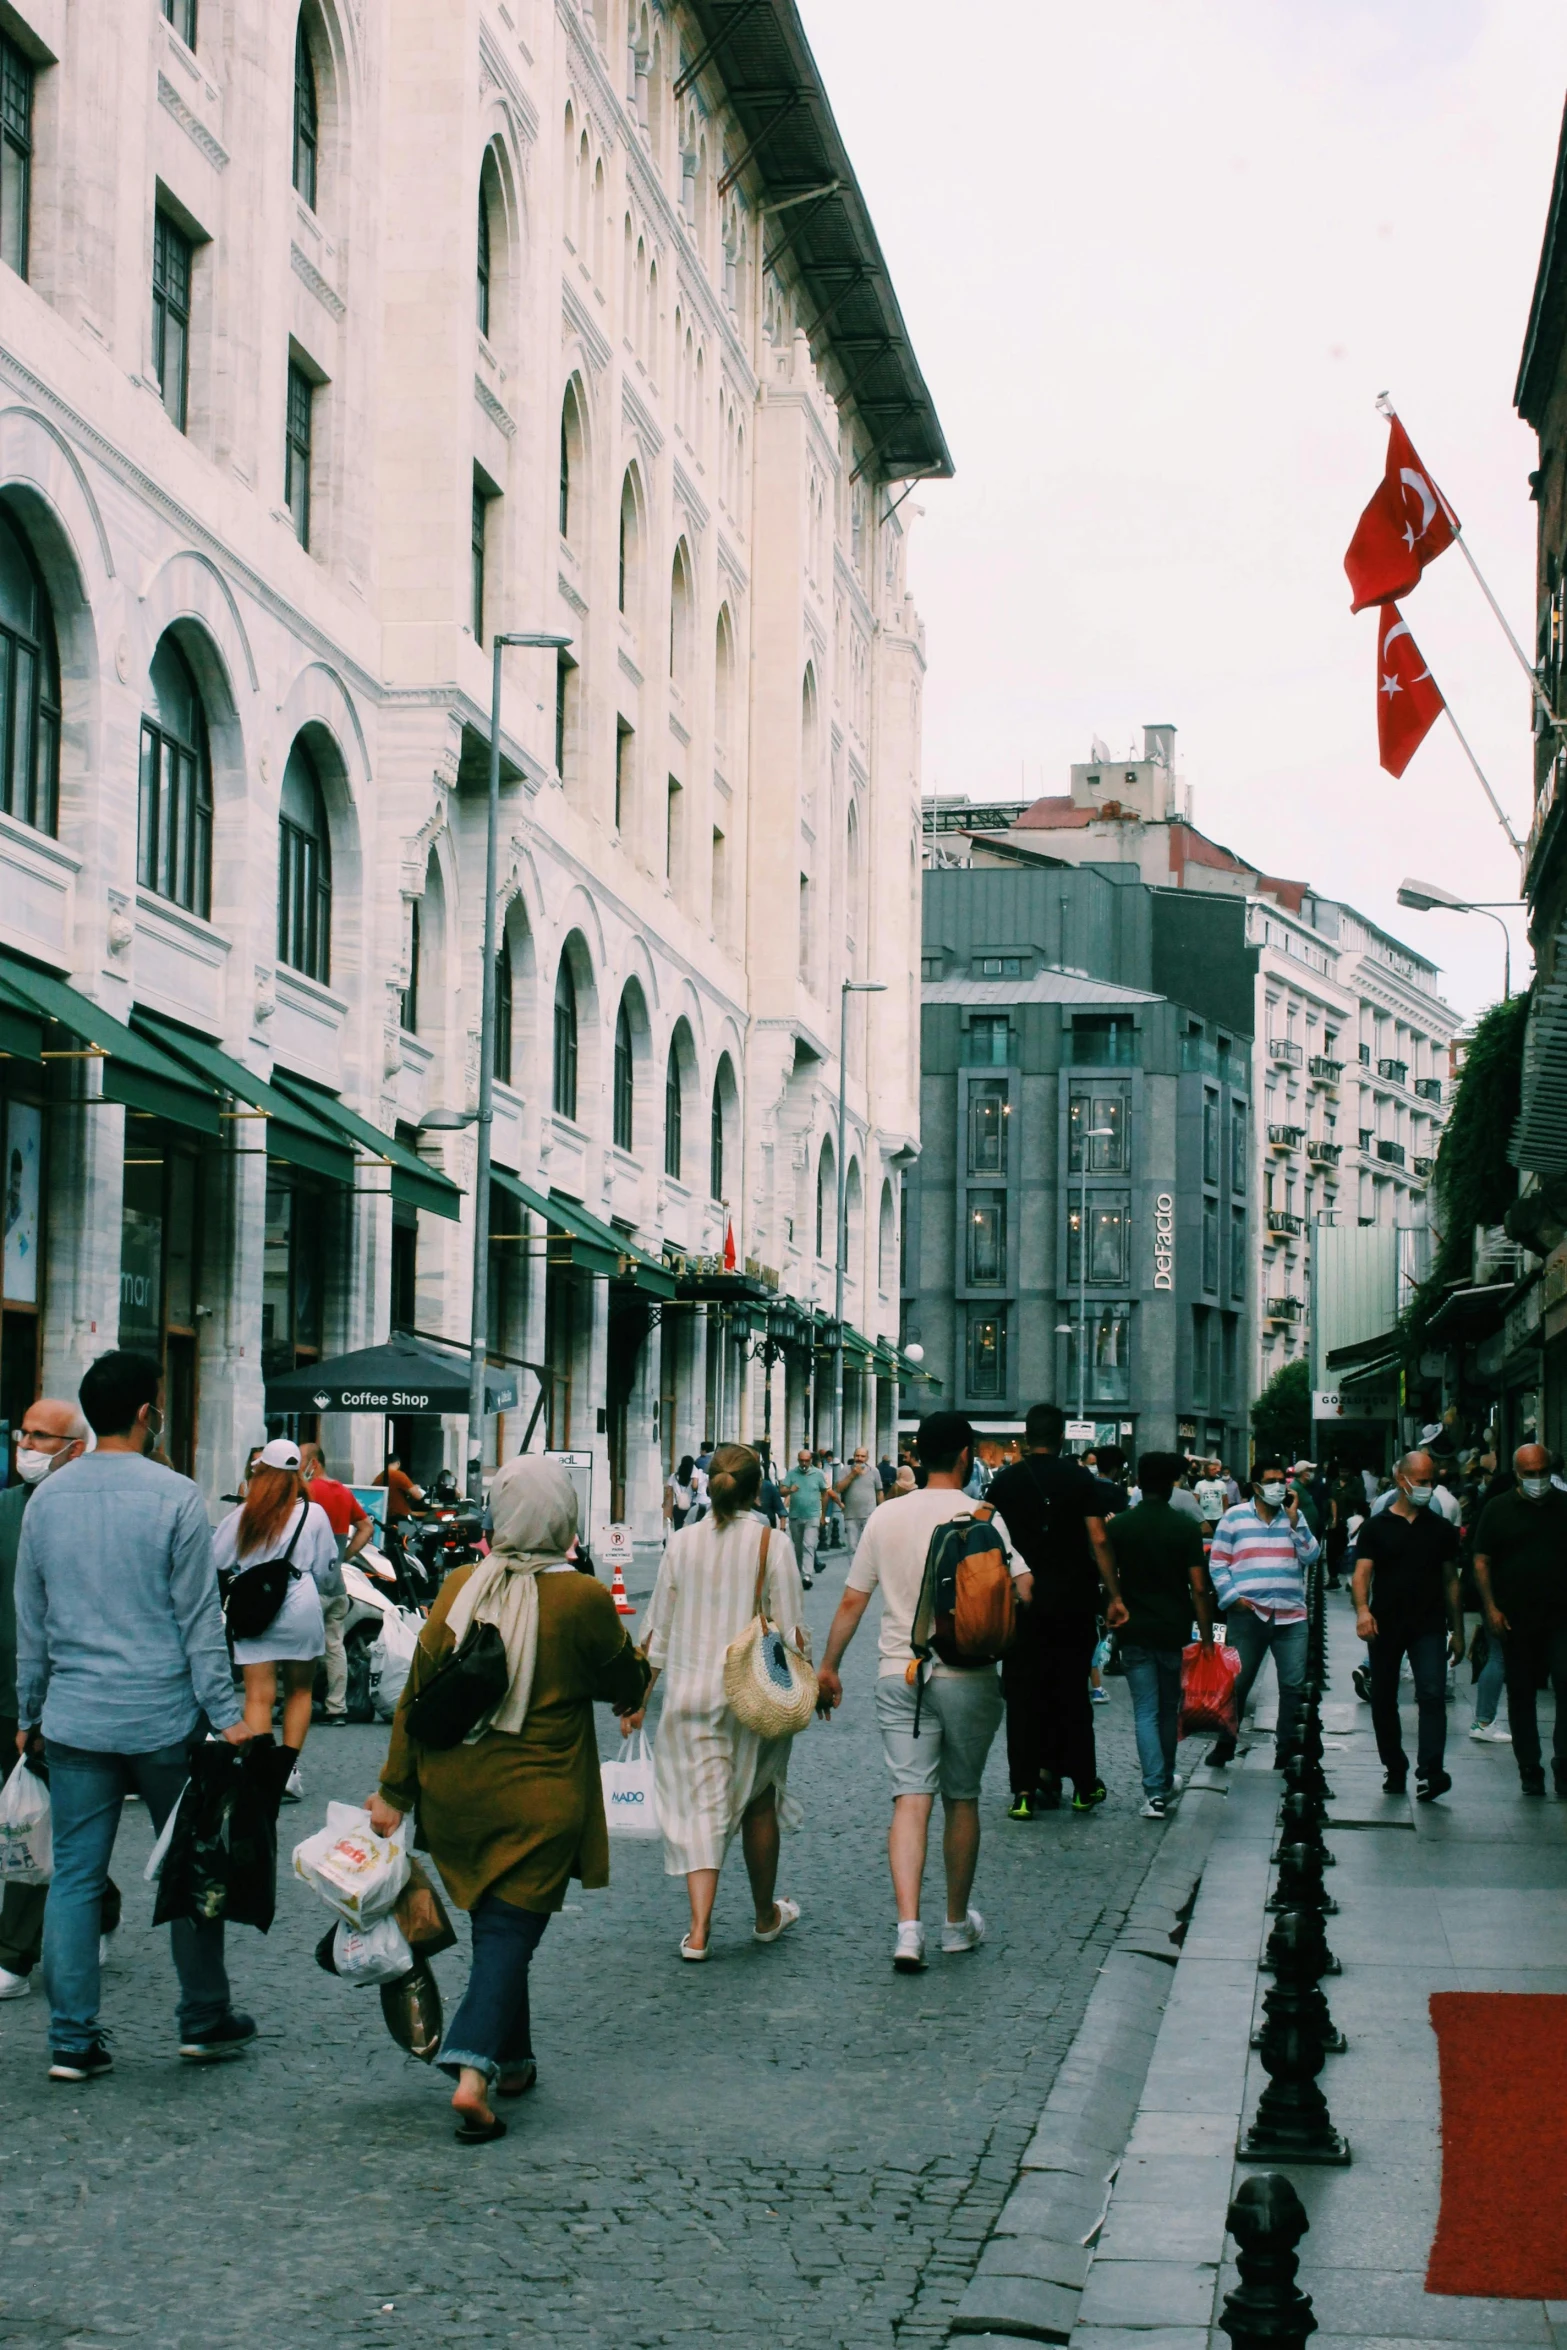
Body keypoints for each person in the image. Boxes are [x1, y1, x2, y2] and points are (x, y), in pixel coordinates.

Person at [369, 1455, 647, 2142]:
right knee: (506, 1937)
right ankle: (471, 2071)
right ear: (564, 1517)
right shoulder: (579, 1597)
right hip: (539, 1796)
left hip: (456, 1794)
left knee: (498, 1927)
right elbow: (622, 1681)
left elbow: (414, 1698)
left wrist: (392, 1792)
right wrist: (646, 1665)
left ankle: (515, 2058)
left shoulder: (461, 1585)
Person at [14, 1350, 256, 2080]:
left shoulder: (46, 1501)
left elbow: (33, 1620)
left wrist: (29, 1710)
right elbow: (198, 1623)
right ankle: (203, 2017)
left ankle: (71, 2038)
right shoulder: (177, 1496)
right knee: (187, 1868)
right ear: (149, 1413)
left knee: (75, 1878)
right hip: (161, 1716)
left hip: (77, 1716)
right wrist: (227, 1713)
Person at [816, 1411, 1031, 1971]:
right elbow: (1024, 1588)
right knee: (962, 1798)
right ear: (964, 1456)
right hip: (969, 1676)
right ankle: (956, 1924)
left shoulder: (887, 1517)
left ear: (918, 1455)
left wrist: (829, 1668)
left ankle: (907, 1931)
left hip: (900, 1671)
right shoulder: (986, 1516)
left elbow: (850, 1602)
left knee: (910, 1800)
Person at [625, 1444, 809, 1960]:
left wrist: (639, 1699)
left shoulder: (681, 1544)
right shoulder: (773, 1545)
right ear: (757, 1489)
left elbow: (656, 1630)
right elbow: (792, 1632)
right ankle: (765, 1914)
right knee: (758, 1801)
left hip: (689, 1694)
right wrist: (811, 1683)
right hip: (754, 1697)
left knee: (702, 1806)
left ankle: (699, 1931)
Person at [0, 1400, 111, 2002]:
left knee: (31, 1820)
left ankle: (13, 1953)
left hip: (62, 1696)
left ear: (74, 1447)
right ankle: (103, 1901)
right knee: (53, 1822)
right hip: (7, 1691)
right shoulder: (4, 1508)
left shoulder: (88, 1513)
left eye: (41, 1437)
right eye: (24, 1434)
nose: (28, 1445)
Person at [986, 1402, 1129, 1818]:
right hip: (1072, 1600)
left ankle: (1024, 1791)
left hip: (1021, 1603)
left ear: (1027, 1438)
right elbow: (1098, 1537)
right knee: (1071, 1694)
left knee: (1023, 1695)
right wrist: (1115, 1596)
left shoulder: (1005, 1482)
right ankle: (1083, 1786)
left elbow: (990, 1541)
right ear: (1062, 1436)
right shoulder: (1079, 1478)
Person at [212, 1438, 339, 1802]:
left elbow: (218, 1559)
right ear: (299, 1473)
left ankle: (260, 1770)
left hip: (254, 1606)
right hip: (300, 1601)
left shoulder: (242, 1515)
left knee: (258, 1694)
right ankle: (287, 1770)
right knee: (299, 1691)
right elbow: (327, 1567)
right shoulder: (312, 1514)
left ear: (261, 1472)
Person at [1350, 1449, 1463, 1800]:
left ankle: (1432, 1769)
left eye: (1433, 1481)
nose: (1429, 1487)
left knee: (1431, 1694)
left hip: (1429, 1624)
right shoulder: (1376, 1526)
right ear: (1403, 1480)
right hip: (1385, 1624)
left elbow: (1451, 1581)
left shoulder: (1441, 1529)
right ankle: (1394, 1767)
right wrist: (1363, 1611)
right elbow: (1362, 1573)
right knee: (1383, 1696)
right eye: (1423, 1481)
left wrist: (1458, 1630)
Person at [1109, 1452, 1215, 1818]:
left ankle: (1154, 1791)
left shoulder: (1120, 1525)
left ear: (1139, 1480)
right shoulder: (1185, 1527)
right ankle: (1166, 1778)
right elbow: (1199, 1587)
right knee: (1170, 1708)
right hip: (1174, 1628)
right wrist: (1206, 1637)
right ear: (1173, 1484)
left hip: (1133, 1628)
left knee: (1145, 1711)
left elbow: (1107, 1574)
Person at [1205, 1458, 1320, 1769]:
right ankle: (1226, 1742)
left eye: (1281, 1480)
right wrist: (1233, 1599)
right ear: (1256, 1487)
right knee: (1238, 1684)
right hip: (1248, 1615)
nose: (1278, 1486)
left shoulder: (1294, 1518)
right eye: (1270, 1481)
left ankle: (1286, 1750)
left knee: (1293, 1686)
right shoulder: (1234, 1518)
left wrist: (1296, 1524)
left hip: (1290, 1616)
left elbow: (1312, 1555)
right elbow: (1218, 1563)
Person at [1471, 1444, 1567, 1796]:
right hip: (1515, 1617)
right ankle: (1529, 1766)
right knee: (1521, 1692)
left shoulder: (1563, 1506)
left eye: (1542, 1472)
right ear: (1516, 1474)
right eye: (1529, 1474)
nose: (1537, 1480)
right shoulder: (1498, 1510)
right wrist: (1491, 1608)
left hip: (1561, 1615)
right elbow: (1481, 1560)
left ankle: (1564, 1763)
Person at [300, 1442, 371, 1728]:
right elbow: (366, 1526)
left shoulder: (307, 1491)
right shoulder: (343, 1492)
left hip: (309, 1584)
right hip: (337, 1584)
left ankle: (297, 1702)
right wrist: (347, 1555)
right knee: (335, 1645)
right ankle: (336, 1706)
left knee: (299, 1647)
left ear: (313, 1463)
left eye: (300, 1462)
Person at [781, 1447, 830, 1590]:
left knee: (809, 1545)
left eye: (806, 1461)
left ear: (811, 1461)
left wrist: (823, 1515)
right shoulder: (792, 1474)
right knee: (797, 1546)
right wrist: (790, 1490)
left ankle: (807, 1575)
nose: (803, 1463)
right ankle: (798, 1574)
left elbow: (825, 1494)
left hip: (812, 1515)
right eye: (801, 1461)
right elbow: (782, 1491)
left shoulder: (818, 1474)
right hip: (796, 1515)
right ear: (798, 1460)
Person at [835, 1448, 880, 1563]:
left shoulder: (874, 1471)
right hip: (851, 1515)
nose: (859, 1459)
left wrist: (881, 1510)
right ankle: (854, 1576)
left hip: (869, 1514)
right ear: (854, 1456)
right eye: (857, 1456)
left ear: (867, 1458)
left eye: (862, 1456)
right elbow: (839, 1488)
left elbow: (879, 1491)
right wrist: (852, 1474)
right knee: (852, 1547)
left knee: (868, 1547)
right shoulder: (845, 1470)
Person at [374, 1450, 424, 1523]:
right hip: (400, 1516)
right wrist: (416, 1488)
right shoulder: (398, 1475)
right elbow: (418, 1496)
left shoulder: (379, 1477)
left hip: (383, 1516)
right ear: (398, 1463)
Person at [1194, 1460, 1227, 1534]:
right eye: (1213, 1470)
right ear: (1206, 1471)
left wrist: (1224, 1514)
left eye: (1216, 1469)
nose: (1216, 1471)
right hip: (1204, 1518)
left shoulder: (1221, 1484)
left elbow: (1225, 1500)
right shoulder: (1199, 1484)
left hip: (1219, 1517)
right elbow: (1195, 1501)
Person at [664, 1455, 695, 1533]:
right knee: (689, 1531)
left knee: (678, 1530)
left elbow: (668, 1492)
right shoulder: (693, 1478)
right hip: (690, 1507)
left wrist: (665, 1503)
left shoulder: (674, 1476)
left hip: (677, 1507)